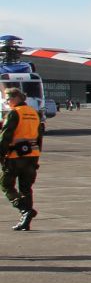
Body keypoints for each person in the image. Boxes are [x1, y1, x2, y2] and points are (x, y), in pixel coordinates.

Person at [1, 88, 42, 230]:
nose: (6, 102)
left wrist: (1, 156)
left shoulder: (14, 113)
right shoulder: (34, 113)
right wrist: (37, 158)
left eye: (8, 98)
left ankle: (25, 210)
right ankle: (26, 221)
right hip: (32, 156)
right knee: (26, 188)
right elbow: (39, 137)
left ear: (16, 98)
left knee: (6, 184)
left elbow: (5, 137)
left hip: (15, 157)